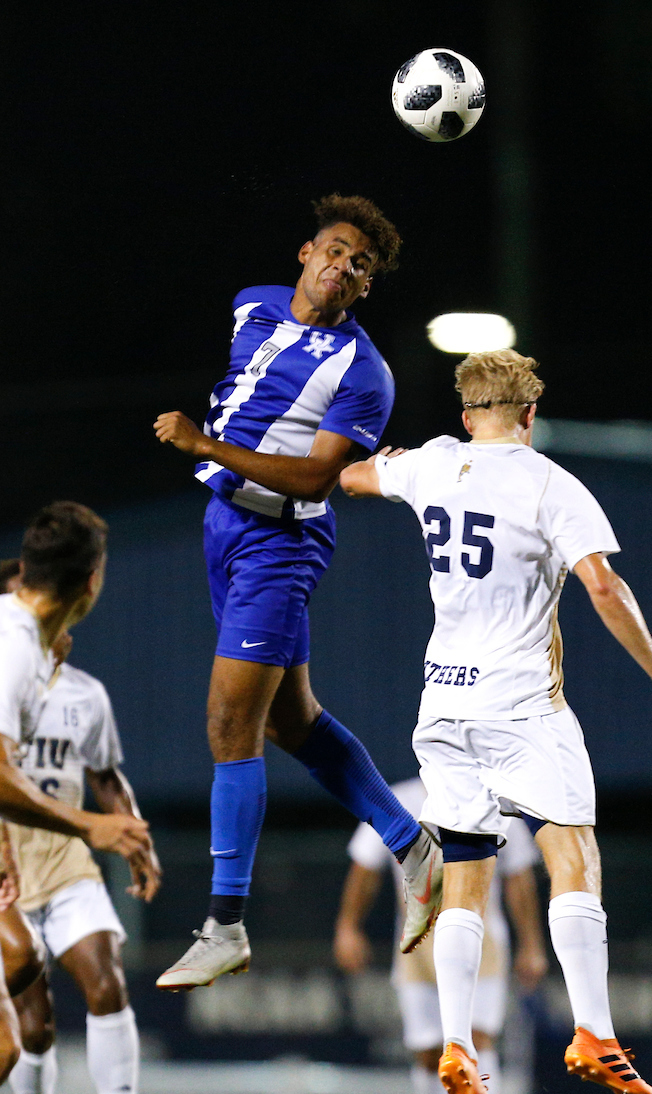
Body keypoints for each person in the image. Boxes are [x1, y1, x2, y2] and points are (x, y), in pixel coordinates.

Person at [339, 348, 652, 1094]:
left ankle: (459, 1040)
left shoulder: (435, 467)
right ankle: (594, 1032)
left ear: (467, 414)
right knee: (571, 850)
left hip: (442, 704)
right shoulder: (548, 484)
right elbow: (604, 587)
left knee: (465, 870)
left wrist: (389, 458)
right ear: (529, 415)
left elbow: (354, 479)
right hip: (521, 704)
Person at [152, 194, 441, 991]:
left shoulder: (365, 375)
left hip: (281, 543)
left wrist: (202, 442)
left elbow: (318, 474)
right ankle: (411, 843)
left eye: (361, 266)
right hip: (225, 528)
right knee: (291, 721)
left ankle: (225, 924)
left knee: (228, 720)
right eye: (337, 251)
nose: (343, 268)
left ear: (365, 288)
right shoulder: (253, 307)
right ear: (307, 251)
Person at [0, 560, 162, 1094]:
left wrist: (134, 834)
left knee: (105, 978)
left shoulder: (85, 695)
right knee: (32, 1031)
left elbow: (105, 777)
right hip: (8, 869)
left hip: (68, 863)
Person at [334, 774, 548, 1094]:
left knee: (478, 1037)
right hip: (419, 942)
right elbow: (365, 867)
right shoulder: (399, 800)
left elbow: (517, 877)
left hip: (481, 937)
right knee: (428, 1051)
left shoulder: (495, 802)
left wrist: (532, 943)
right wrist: (348, 926)